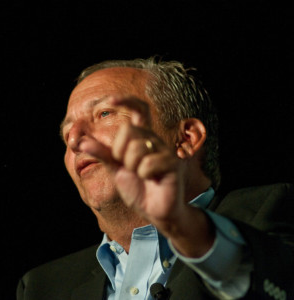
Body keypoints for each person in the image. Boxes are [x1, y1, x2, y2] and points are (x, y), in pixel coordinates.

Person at [17, 57, 294, 299]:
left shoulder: (273, 208)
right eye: (66, 135)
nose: (75, 140)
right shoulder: (43, 286)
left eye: (104, 114)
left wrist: (182, 223)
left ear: (186, 139)